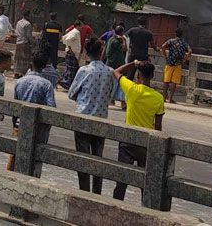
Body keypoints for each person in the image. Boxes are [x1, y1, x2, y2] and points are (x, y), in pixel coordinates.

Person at [110, 59, 164, 201]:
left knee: (121, 180)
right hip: (145, 143)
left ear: (138, 76)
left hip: (128, 140)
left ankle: (115, 209)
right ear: (152, 76)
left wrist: (133, 64)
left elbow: (116, 72)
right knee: (145, 183)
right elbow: (158, 127)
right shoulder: (158, 98)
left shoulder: (132, 89)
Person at [67, 38, 112, 194]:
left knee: (83, 160)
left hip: (83, 118)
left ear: (86, 53)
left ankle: (84, 192)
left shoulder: (83, 71)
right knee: (97, 159)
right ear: (101, 53)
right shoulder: (110, 72)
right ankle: (96, 193)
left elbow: (71, 94)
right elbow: (111, 96)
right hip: (100, 119)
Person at [8, 52, 57, 174]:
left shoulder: (19, 82)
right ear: (44, 66)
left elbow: (15, 106)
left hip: (20, 124)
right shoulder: (46, 85)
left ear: (31, 64)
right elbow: (51, 108)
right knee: (36, 158)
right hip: (38, 128)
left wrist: (15, 123)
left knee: (15, 154)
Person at [158, 29, 191, 104]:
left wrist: (165, 56)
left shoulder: (171, 41)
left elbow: (163, 46)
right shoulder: (184, 43)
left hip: (169, 62)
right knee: (174, 82)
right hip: (178, 64)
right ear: (182, 34)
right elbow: (190, 51)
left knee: (166, 81)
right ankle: (170, 99)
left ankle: (163, 98)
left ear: (175, 33)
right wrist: (185, 59)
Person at [103, 24, 128, 108]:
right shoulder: (116, 41)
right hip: (116, 65)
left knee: (111, 83)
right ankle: (122, 103)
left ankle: (111, 100)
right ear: (121, 33)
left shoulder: (110, 39)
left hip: (111, 64)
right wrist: (124, 40)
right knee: (120, 83)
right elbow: (125, 49)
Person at [58, 25, 83, 89]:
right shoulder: (76, 32)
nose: (81, 28)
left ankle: (64, 82)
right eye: (80, 26)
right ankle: (67, 84)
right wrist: (70, 49)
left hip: (70, 53)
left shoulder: (72, 31)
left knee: (69, 69)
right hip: (72, 53)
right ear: (78, 26)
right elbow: (67, 40)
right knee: (72, 70)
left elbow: (64, 38)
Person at [12, 10, 34, 77]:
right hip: (25, 43)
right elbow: (29, 36)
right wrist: (33, 42)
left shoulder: (18, 22)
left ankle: (16, 73)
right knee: (25, 59)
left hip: (18, 42)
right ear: (28, 16)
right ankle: (22, 73)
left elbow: (16, 33)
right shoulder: (28, 24)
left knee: (18, 59)